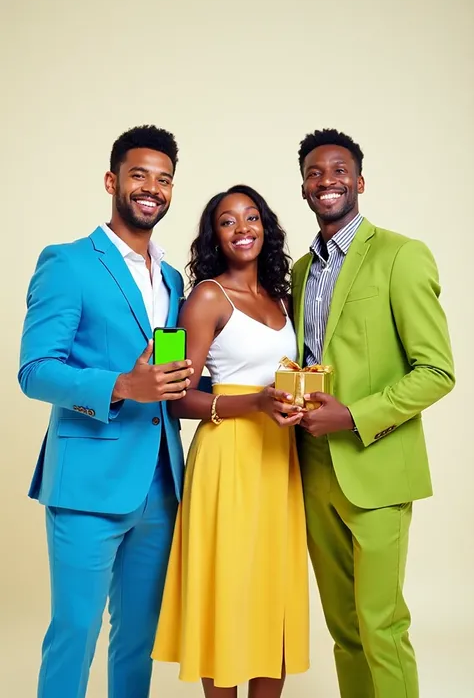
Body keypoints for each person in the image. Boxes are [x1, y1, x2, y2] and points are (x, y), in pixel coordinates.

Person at [18, 125, 194, 698]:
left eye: (163, 179)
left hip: (160, 484)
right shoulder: (68, 263)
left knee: (138, 638)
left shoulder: (171, 277)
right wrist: (119, 385)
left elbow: (163, 372)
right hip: (87, 483)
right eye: (139, 175)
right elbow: (35, 369)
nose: (152, 189)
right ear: (112, 181)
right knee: (75, 631)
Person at [291, 128, 455, 698]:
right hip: (311, 470)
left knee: (381, 625)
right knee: (344, 630)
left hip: (377, 464)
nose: (327, 180)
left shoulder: (401, 255)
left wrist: (354, 417)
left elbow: (437, 371)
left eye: (338, 171)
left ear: (359, 182)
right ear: (305, 188)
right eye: (315, 172)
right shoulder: (298, 272)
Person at [152, 185, 310, 698]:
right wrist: (254, 404)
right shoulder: (204, 297)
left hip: (278, 458)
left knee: (272, 591)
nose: (242, 228)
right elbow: (177, 399)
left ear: (266, 227)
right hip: (227, 458)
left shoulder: (284, 298)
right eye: (227, 221)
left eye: (251, 217)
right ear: (214, 237)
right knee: (227, 590)